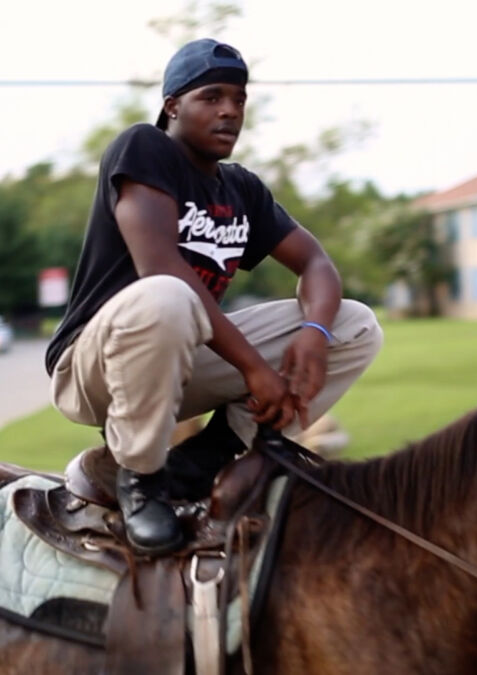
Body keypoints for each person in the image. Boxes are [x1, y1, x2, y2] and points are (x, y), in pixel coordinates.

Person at [46, 38, 383, 555]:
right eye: (212, 96)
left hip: (180, 355)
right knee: (165, 295)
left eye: (239, 99)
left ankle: (214, 457)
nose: (230, 110)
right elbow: (162, 268)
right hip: (96, 366)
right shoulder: (145, 148)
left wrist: (315, 335)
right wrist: (254, 368)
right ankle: (139, 480)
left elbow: (316, 264)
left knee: (354, 323)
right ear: (172, 105)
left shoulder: (240, 189)